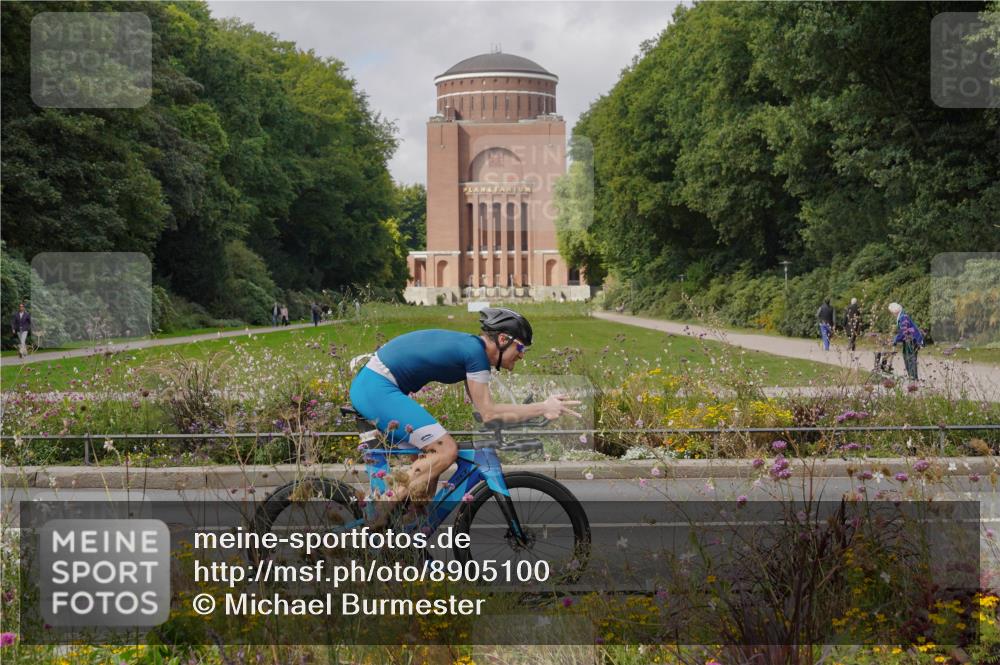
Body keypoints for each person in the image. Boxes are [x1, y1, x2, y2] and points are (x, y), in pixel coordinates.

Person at [348, 307, 580, 518]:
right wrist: (542, 407)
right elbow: (489, 413)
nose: (522, 355)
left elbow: (484, 410)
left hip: (378, 386)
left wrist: (532, 416)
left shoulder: (473, 353)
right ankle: (379, 511)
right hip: (377, 387)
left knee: (426, 481)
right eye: (520, 348)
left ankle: (406, 542)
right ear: (502, 339)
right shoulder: (474, 354)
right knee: (446, 450)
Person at [888, 302, 924, 380]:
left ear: (895, 311)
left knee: (910, 358)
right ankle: (911, 376)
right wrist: (896, 338)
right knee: (906, 356)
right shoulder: (901, 316)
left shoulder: (903, 317)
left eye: (891, 312)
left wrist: (895, 339)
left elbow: (903, 332)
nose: (892, 314)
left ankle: (913, 378)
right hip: (909, 339)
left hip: (913, 340)